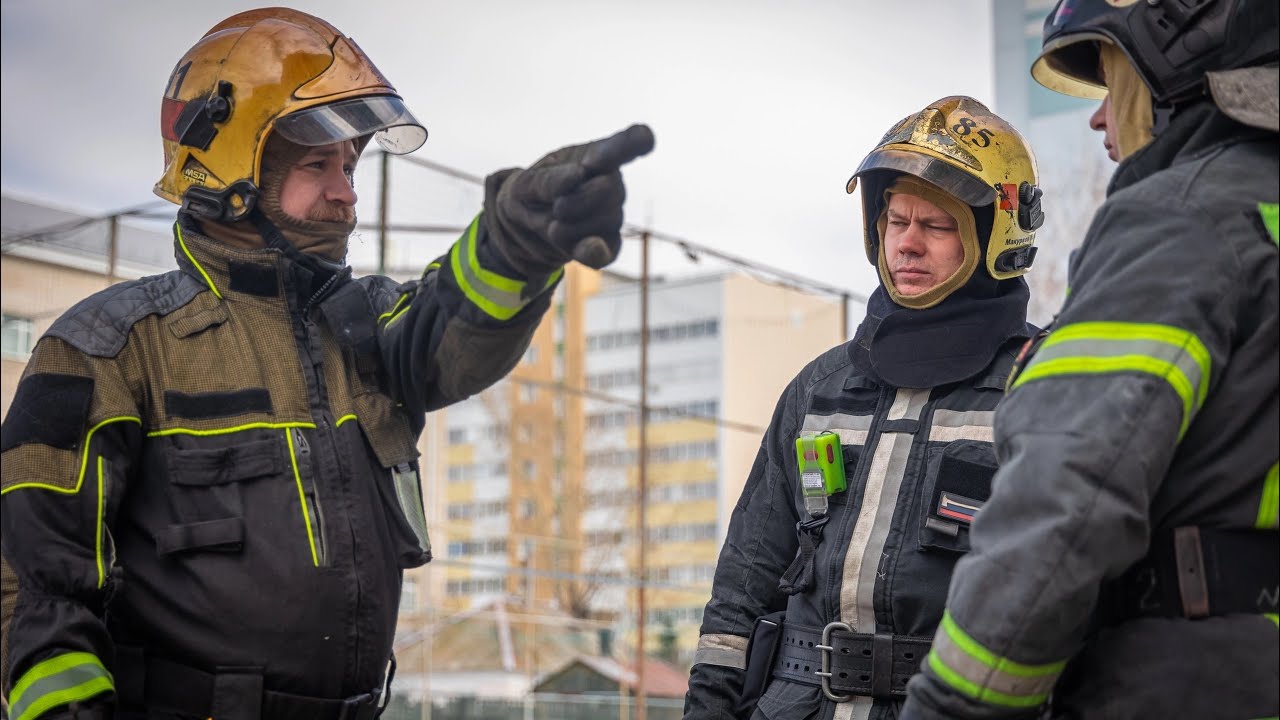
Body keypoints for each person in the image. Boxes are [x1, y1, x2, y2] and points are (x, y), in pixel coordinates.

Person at [0, 8, 653, 720]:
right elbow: (34, 592)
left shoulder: (364, 328)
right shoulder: (111, 348)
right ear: (229, 167)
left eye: (349, 165)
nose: (346, 193)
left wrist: (518, 245)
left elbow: (449, 323)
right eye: (318, 164)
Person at [900, 1, 1279, 718]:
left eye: (1113, 83)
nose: (1100, 118)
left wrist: (954, 703)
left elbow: (1066, 504)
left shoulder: (1181, 221)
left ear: (1176, 69)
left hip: (1192, 685)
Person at [683, 96, 1045, 720]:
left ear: (996, 236)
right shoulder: (818, 389)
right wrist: (708, 707)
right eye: (895, 220)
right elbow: (745, 581)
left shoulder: (1039, 386)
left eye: (936, 226)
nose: (907, 244)